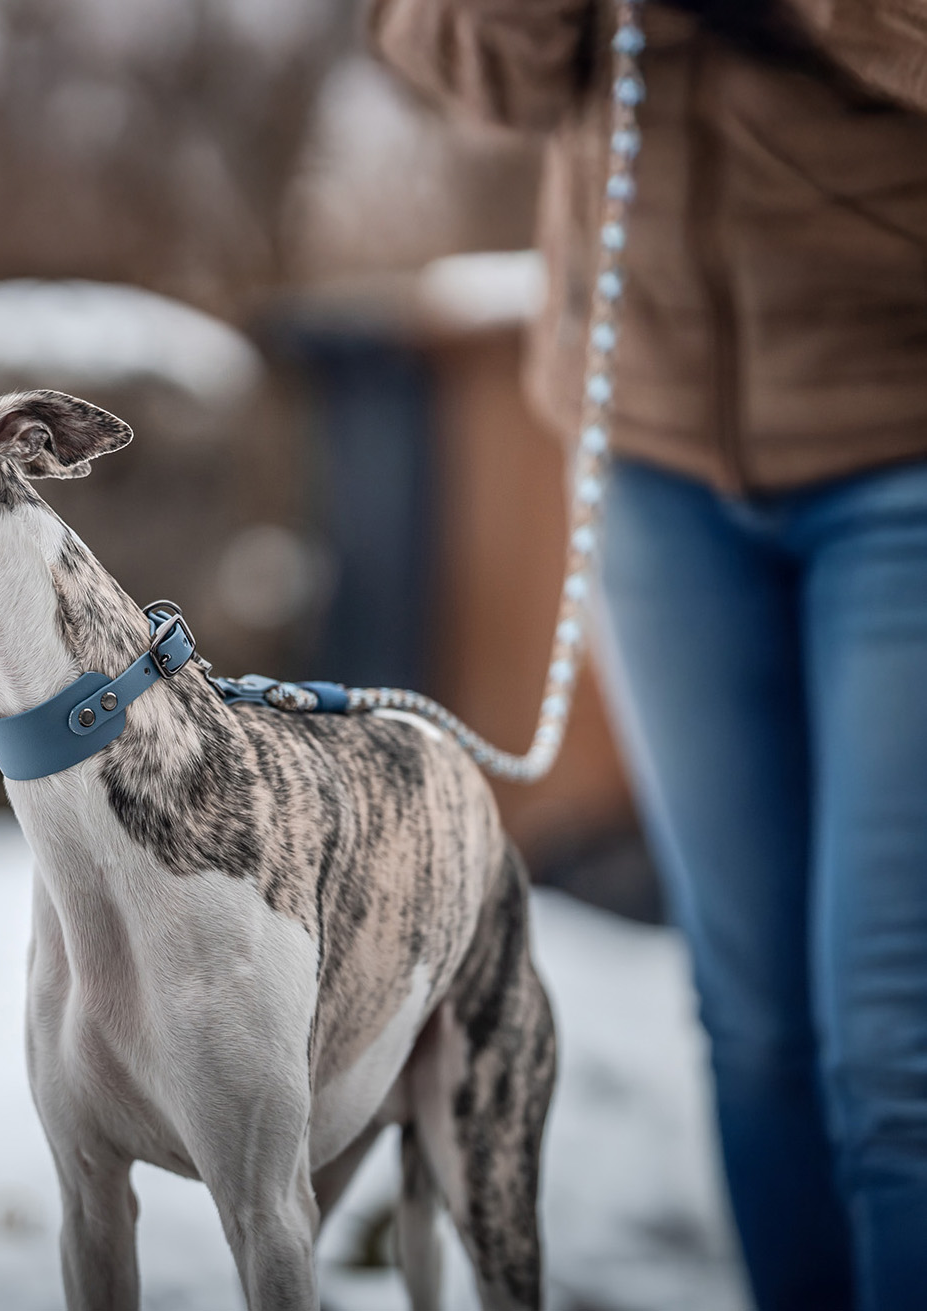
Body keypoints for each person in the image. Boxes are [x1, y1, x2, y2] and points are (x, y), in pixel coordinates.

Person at [368, 2, 927, 1309]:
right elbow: (460, 64)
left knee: (895, 1048)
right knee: (757, 1031)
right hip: (652, 452)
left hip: (903, 436)